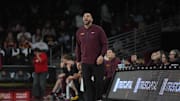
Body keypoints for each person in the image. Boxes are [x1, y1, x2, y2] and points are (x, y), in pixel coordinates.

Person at [75, 12, 108, 101]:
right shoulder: (79, 31)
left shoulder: (98, 29)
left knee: (98, 83)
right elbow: (78, 47)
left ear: (92, 19)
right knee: (87, 84)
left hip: (97, 62)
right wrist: (78, 61)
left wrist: (101, 56)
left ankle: (98, 99)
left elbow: (105, 44)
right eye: (84, 16)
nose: (86, 18)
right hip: (85, 62)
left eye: (88, 16)